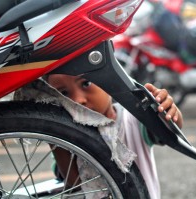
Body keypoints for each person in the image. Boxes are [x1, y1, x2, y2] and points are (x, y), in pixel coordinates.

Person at [43, 73, 183, 199]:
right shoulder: (66, 141)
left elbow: (170, 131)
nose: (78, 100)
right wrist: (52, 126)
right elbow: (75, 184)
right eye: (63, 93)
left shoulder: (134, 120)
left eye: (86, 83)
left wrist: (167, 110)